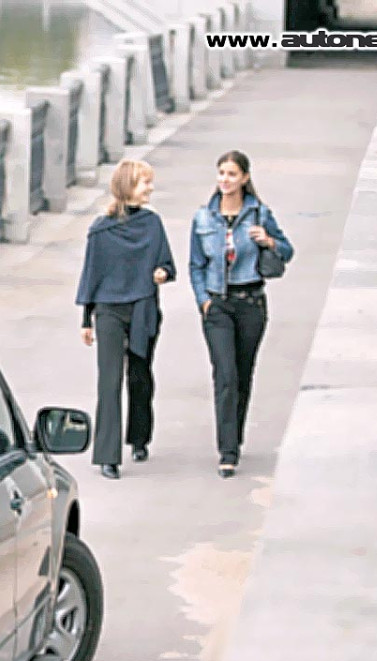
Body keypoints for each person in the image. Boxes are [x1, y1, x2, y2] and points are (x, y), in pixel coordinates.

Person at [189, 150, 294, 478]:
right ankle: (227, 450)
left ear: (245, 178)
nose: (225, 180)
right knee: (225, 374)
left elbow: (287, 250)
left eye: (232, 174)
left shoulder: (259, 214)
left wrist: (270, 242)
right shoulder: (204, 217)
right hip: (218, 304)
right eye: (221, 173)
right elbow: (196, 265)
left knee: (243, 373)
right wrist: (203, 301)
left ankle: (236, 434)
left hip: (251, 302)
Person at [75, 159, 175, 480]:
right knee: (109, 381)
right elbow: (92, 274)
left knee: (139, 374)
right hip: (108, 309)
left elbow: (166, 263)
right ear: (128, 185)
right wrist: (86, 320)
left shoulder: (152, 224)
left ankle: (139, 436)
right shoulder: (102, 229)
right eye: (145, 182)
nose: (150, 188)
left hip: (143, 306)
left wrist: (163, 273)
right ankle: (108, 455)